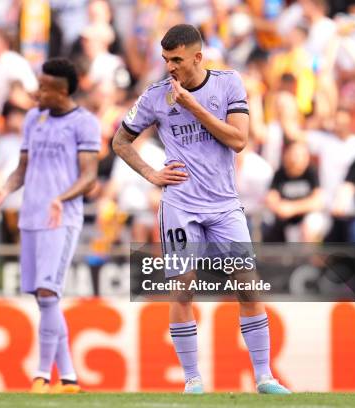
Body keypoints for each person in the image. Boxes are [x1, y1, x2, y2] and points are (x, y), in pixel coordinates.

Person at [111, 24, 290, 394]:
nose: (170, 67)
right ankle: (192, 380)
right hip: (179, 204)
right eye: (165, 60)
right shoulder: (155, 96)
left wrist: (193, 106)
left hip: (224, 204)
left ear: (197, 56)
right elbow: (120, 140)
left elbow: (239, 140)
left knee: (248, 286)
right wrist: (150, 172)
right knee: (183, 289)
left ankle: (264, 377)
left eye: (176, 59)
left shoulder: (228, 84)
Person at [0, 58, 100, 394]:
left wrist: (62, 197)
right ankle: (70, 378)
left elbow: (89, 176)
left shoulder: (85, 123)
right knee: (44, 299)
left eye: (43, 86)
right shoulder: (34, 118)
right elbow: (22, 168)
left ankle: (42, 376)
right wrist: (3, 190)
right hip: (31, 216)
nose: (35, 91)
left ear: (60, 91)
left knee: (48, 293)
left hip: (61, 219)